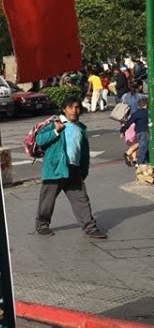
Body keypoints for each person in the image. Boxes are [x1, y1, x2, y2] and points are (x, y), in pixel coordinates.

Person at [34, 96, 106, 238]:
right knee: (47, 199)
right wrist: (55, 131)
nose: (74, 110)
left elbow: (84, 152)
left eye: (77, 107)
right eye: (71, 107)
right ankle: (42, 225)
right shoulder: (54, 123)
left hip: (74, 169)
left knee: (81, 199)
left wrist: (84, 170)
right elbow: (39, 140)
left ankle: (90, 228)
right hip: (55, 169)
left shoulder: (81, 128)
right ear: (64, 109)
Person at [120, 95, 149, 166]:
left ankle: (143, 160)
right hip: (145, 132)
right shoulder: (147, 113)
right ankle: (140, 163)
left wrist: (122, 131)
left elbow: (128, 123)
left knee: (142, 146)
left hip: (138, 133)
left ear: (138, 106)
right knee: (143, 147)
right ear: (146, 105)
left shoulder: (135, 114)